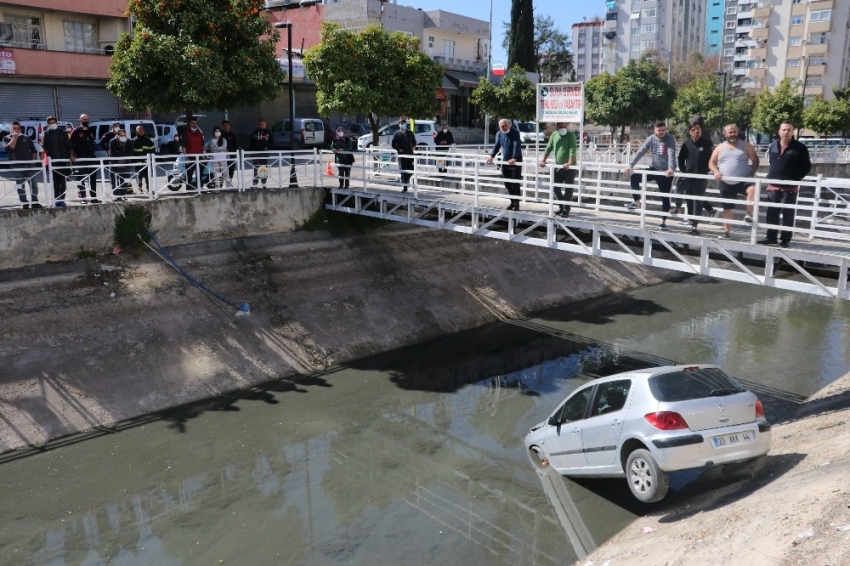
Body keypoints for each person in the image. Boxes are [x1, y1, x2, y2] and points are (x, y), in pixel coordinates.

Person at [759, 121, 811, 248]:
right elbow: (772, 162)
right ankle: (771, 237)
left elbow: (806, 167)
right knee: (771, 213)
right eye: (783, 130)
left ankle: (785, 239)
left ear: (792, 132)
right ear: (779, 131)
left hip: (789, 187)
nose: (786, 132)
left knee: (788, 214)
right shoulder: (773, 146)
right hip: (773, 186)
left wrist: (794, 179)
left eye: (788, 130)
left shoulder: (800, 148)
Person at [708, 123, 760, 238]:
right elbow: (711, 162)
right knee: (727, 209)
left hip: (744, 179)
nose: (733, 134)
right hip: (726, 182)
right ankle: (727, 232)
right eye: (730, 132)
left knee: (752, 190)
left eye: (734, 132)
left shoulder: (746, 145)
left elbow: (755, 160)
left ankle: (749, 214)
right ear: (725, 134)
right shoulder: (720, 147)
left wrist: (751, 174)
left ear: (738, 132)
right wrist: (716, 171)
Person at [623, 121, 676, 229]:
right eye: (659, 130)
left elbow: (671, 153)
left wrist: (671, 168)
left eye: (663, 130)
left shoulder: (669, 139)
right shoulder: (651, 138)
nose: (661, 132)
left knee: (665, 196)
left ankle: (663, 221)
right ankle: (637, 201)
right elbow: (641, 151)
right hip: (654, 168)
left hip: (666, 172)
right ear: (654, 130)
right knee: (634, 176)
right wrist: (630, 165)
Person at [676, 119, 714, 235]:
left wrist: (705, 171)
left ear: (701, 130)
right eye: (694, 130)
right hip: (688, 176)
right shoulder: (686, 144)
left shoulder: (707, 144)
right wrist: (683, 170)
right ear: (690, 132)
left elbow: (712, 161)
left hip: (701, 178)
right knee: (679, 188)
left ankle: (694, 226)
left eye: (698, 129)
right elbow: (681, 158)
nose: (696, 131)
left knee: (698, 201)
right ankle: (678, 206)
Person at [539, 122, 577, 218]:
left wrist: (569, 163)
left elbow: (572, 150)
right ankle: (561, 206)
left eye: (564, 126)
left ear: (567, 126)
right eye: (561, 127)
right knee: (555, 187)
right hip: (558, 166)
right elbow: (549, 148)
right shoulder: (554, 135)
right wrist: (543, 160)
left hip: (570, 167)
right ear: (557, 127)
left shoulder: (571, 136)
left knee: (568, 189)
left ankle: (566, 209)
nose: (563, 128)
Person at [486, 118, 524, 210]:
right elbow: (497, 145)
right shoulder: (499, 134)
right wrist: (491, 156)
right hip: (505, 161)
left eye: (505, 125)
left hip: (515, 161)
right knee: (507, 183)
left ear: (509, 125)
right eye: (501, 126)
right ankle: (512, 201)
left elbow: (516, 144)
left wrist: (514, 157)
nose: (503, 127)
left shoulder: (515, 133)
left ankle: (516, 204)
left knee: (515, 183)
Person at [3, 121, 41, 209]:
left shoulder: (26, 138)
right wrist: (14, 138)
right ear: (10, 129)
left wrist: (33, 160)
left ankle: (35, 202)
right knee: (20, 185)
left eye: (18, 128)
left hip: (29, 165)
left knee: (34, 183)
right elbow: (9, 149)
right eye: (14, 128)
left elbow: (33, 150)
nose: (16, 130)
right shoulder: (7, 138)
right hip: (16, 166)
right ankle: (24, 203)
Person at [42, 116, 73, 205]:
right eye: (50, 123)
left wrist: (71, 155)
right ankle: (55, 199)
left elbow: (69, 144)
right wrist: (42, 151)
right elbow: (45, 146)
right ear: (48, 124)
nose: (52, 124)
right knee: (54, 181)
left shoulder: (63, 132)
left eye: (53, 122)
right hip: (52, 161)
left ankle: (62, 199)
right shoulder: (47, 133)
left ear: (57, 122)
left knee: (62, 181)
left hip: (63, 160)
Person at [70, 114, 100, 202]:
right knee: (80, 179)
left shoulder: (91, 130)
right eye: (84, 119)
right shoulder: (76, 131)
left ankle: (94, 197)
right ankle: (83, 198)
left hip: (91, 157)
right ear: (80, 120)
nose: (86, 121)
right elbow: (71, 144)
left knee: (93, 178)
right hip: (80, 158)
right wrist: (72, 155)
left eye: (87, 119)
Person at [391, 118, 416, 193]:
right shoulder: (396, 134)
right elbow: (393, 144)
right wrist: (398, 149)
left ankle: (406, 180)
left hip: (410, 154)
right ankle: (405, 187)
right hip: (402, 155)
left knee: (412, 169)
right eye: (401, 124)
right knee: (403, 170)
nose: (403, 125)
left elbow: (414, 142)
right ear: (399, 125)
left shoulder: (410, 133)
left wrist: (414, 146)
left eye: (404, 123)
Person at [180, 117, 205, 190]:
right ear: (190, 123)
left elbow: (202, 144)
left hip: (199, 156)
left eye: (196, 123)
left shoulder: (199, 133)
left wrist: (203, 153)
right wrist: (186, 157)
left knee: (200, 173)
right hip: (190, 156)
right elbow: (184, 146)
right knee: (189, 173)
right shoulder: (186, 133)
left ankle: (199, 188)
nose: (194, 125)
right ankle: (188, 189)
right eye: (193, 123)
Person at [108, 128, 135, 197]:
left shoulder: (129, 141)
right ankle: (117, 196)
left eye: (124, 135)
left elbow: (131, 152)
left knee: (125, 180)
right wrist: (123, 153)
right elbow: (113, 153)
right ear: (117, 135)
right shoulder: (113, 141)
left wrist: (123, 154)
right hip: (115, 164)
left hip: (125, 164)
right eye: (121, 135)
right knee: (115, 181)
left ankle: (123, 195)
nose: (123, 137)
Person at [248, 119, 272, 188]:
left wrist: (267, 148)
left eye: (263, 124)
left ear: (266, 125)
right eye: (261, 124)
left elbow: (272, 142)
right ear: (258, 125)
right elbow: (251, 143)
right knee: (256, 167)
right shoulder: (255, 133)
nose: (262, 126)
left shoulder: (268, 133)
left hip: (264, 153)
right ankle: (255, 183)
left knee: (263, 168)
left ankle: (264, 183)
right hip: (256, 152)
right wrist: (251, 152)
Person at [132, 125, 156, 192]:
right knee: (139, 176)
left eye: (142, 129)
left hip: (147, 162)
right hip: (138, 162)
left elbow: (153, 150)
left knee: (148, 176)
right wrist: (133, 161)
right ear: (136, 131)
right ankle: (140, 187)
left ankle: (149, 189)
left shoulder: (148, 140)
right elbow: (132, 152)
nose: (141, 131)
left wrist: (152, 159)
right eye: (139, 130)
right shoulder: (133, 140)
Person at [100, 121, 121, 193]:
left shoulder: (121, 134)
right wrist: (107, 149)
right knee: (113, 173)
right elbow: (100, 143)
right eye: (115, 126)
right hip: (112, 156)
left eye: (118, 126)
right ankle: (115, 190)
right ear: (112, 127)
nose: (117, 127)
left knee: (121, 173)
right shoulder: (108, 135)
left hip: (120, 156)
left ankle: (123, 190)